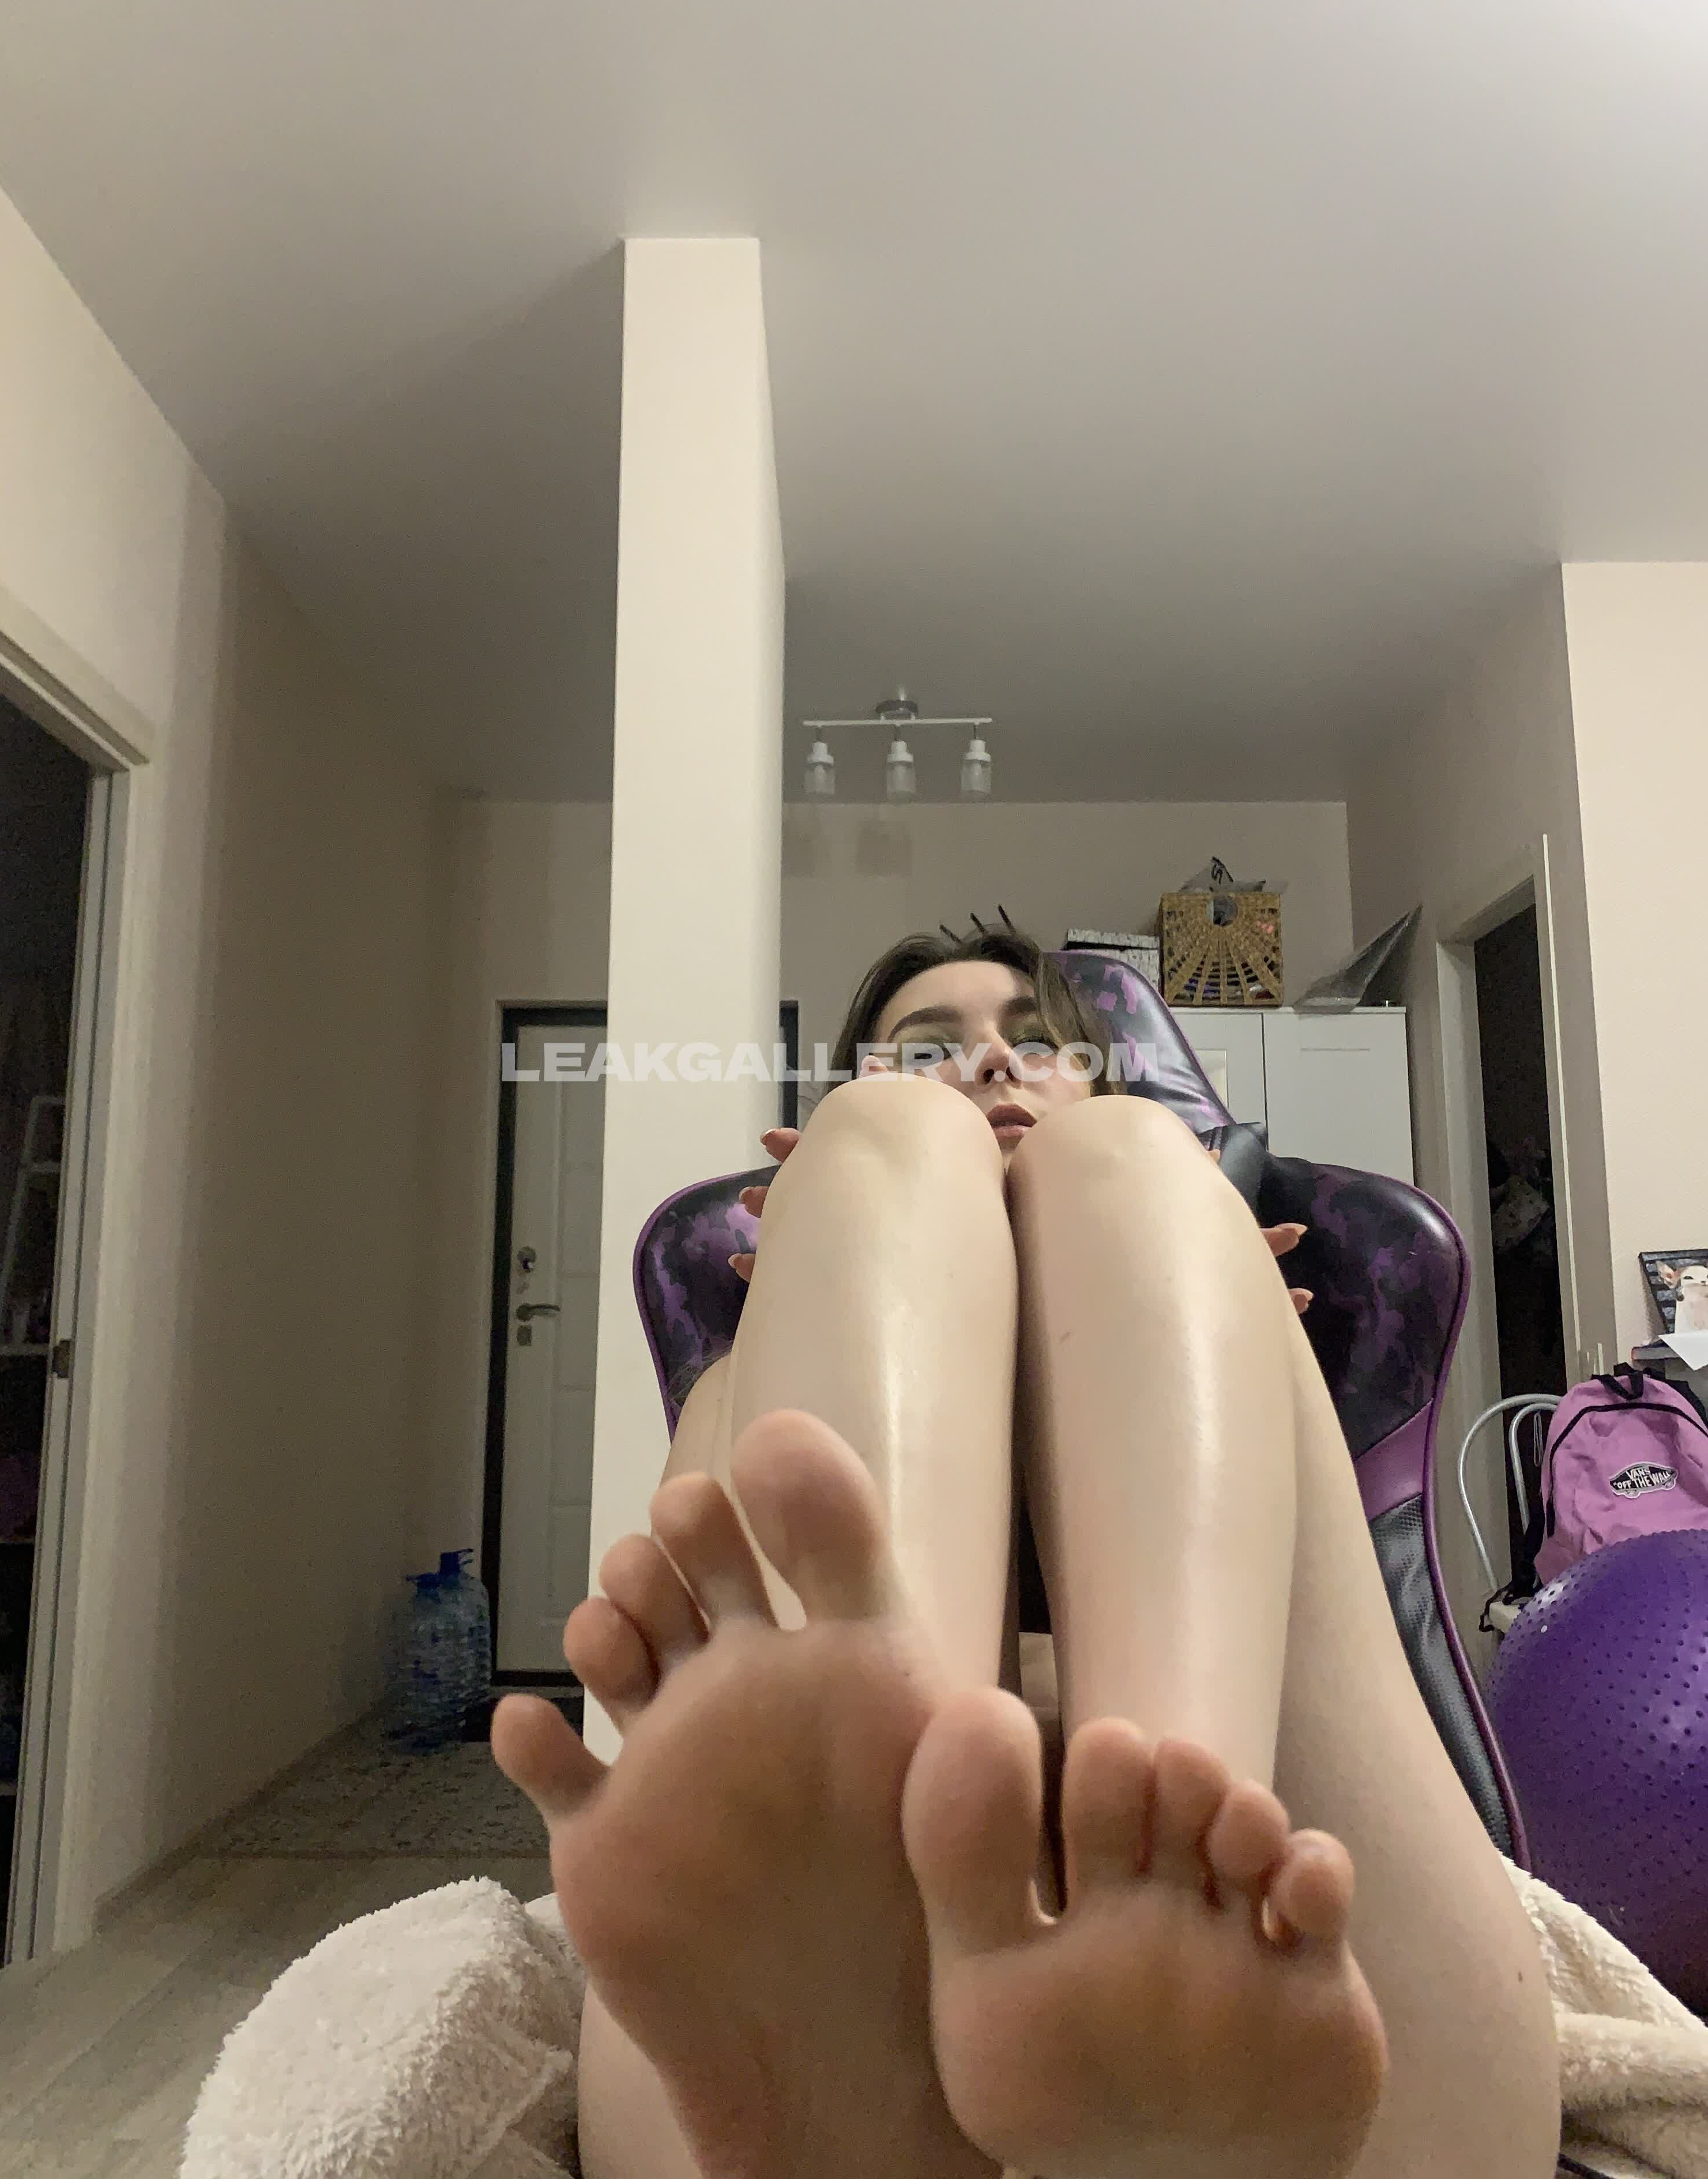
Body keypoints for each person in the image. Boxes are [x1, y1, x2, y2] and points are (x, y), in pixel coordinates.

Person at [494, 925, 1561, 2179]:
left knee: (1124, 1164)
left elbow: (1113, 1163)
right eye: (925, 1048)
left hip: (1341, 2013)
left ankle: (1169, 1923)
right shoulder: (765, 1334)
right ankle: (895, 1955)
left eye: (1042, 1042)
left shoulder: (1165, 1188)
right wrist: (844, 1218)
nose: (995, 1062)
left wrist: (1197, 1268)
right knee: (886, 1162)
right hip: (771, 2062)